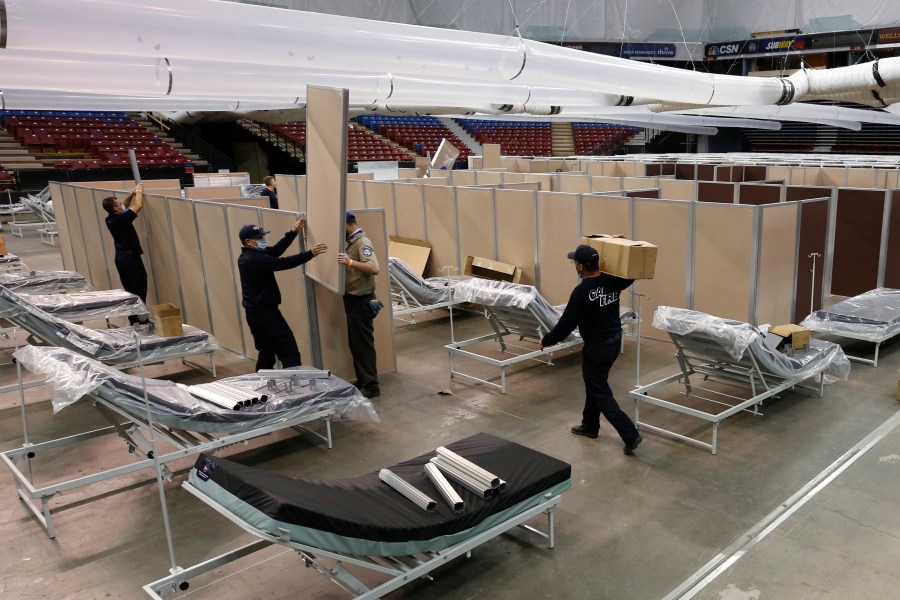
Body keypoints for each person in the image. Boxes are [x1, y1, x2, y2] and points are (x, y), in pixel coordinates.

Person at [540, 244, 643, 455]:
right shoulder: (612, 280)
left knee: (600, 390)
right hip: (614, 342)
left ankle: (629, 434)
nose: (574, 265)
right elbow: (631, 275)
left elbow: (566, 325)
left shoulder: (582, 291)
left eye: (574, 262)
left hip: (597, 347)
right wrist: (619, 249)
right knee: (594, 383)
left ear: (579, 266)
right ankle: (590, 425)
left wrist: (546, 340)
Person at [237, 219, 326, 371]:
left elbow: (275, 251)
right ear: (248, 242)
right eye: (259, 238)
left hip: (256, 315)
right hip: (265, 314)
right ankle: (295, 386)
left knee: (267, 352)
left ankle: (261, 383)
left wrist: (292, 233)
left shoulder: (251, 255)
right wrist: (310, 254)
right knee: (288, 349)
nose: (263, 240)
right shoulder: (253, 259)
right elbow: (282, 263)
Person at [337, 212, 381, 399]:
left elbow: (374, 268)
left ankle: (371, 386)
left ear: (347, 225)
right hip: (353, 300)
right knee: (356, 344)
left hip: (361, 301)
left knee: (363, 345)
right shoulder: (352, 243)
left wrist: (350, 262)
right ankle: (363, 380)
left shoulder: (362, 243)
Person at [102, 183, 149, 325]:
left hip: (121, 258)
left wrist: (132, 193)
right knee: (139, 287)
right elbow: (138, 205)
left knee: (130, 289)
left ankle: (133, 320)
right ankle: (142, 320)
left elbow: (126, 205)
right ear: (116, 209)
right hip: (130, 259)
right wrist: (139, 191)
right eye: (119, 204)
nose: (122, 205)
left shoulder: (110, 218)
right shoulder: (122, 219)